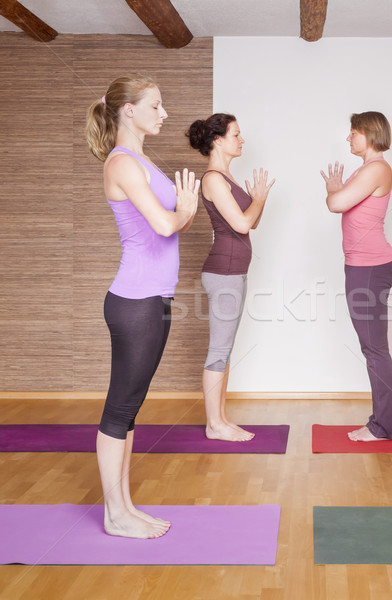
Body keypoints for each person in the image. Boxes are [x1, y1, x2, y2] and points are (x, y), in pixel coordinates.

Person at [85, 73, 199, 538]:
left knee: (129, 410)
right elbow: (166, 225)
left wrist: (182, 214)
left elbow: (169, 228)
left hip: (152, 297)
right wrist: (186, 211)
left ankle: (125, 507)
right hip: (135, 301)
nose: (164, 113)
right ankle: (115, 515)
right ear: (128, 110)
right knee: (119, 409)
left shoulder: (141, 162)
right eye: (156, 105)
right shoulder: (122, 164)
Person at [187, 113, 275, 442]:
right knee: (219, 350)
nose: (242, 140)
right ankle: (214, 424)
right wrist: (260, 201)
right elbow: (241, 225)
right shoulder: (213, 179)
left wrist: (257, 201)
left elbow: (250, 222)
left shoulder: (227, 177)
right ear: (218, 140)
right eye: (236, 135)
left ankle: (221, 418)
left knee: (225, 350)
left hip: (234, 271)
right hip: (223, 273)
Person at [321, 111, 392, 442]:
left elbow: (336, 204)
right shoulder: (366, 170)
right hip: (363, 266)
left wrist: (333, 191)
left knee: (374, 349)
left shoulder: (378, 168)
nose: (349, 138)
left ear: (370, 133)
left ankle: (381, 427)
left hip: (370, 268)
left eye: (353, 133)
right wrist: (337, 191)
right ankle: (380, 422)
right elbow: (342, 202)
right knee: (373, 348)